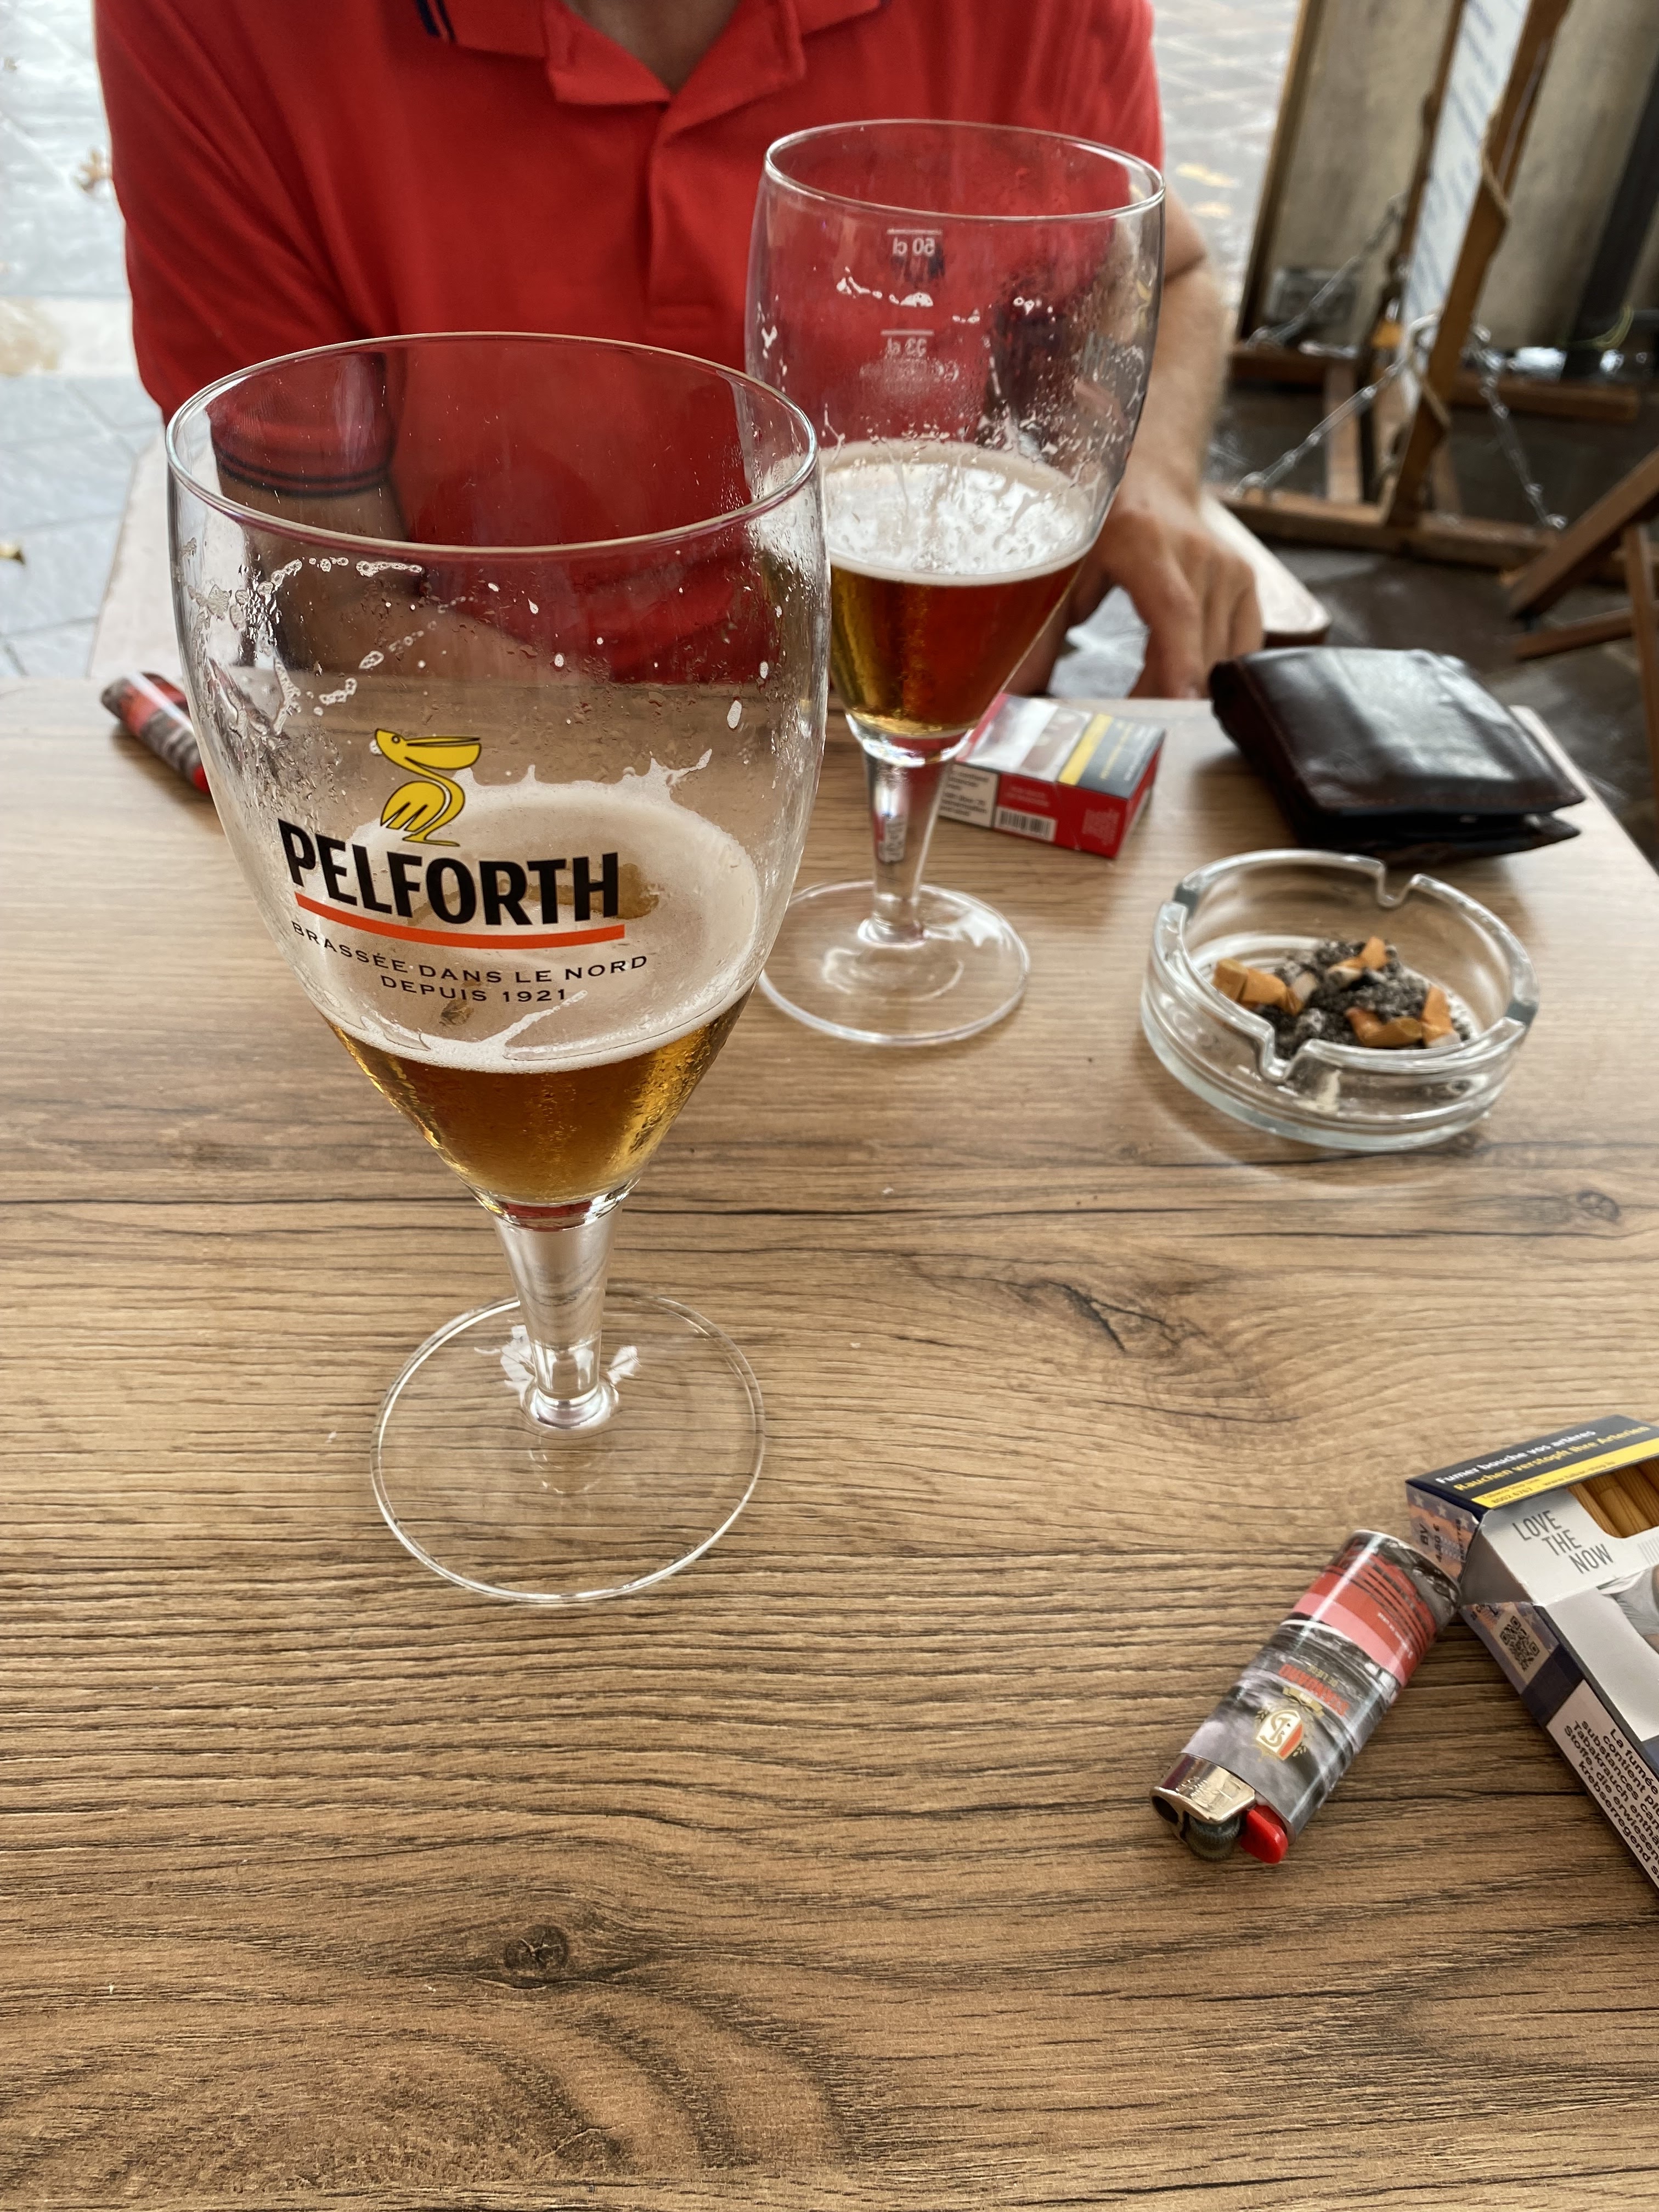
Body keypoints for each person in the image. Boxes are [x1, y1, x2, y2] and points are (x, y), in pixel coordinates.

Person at [97, 0, 1262, 697]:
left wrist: (1148, 478)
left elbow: (1163, 276)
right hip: (498, 746)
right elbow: (332, 593)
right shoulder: (216, 25)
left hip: (929, 732)